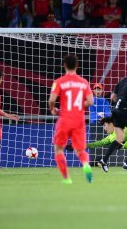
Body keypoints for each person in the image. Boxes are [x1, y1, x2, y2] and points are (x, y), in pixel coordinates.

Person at [48, 54, 94, 184]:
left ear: (64, 65)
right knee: (80, 150)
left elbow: (51, 100)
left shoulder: (59, 82)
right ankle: (86, 165)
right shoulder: (83, 82)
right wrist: (80, 106)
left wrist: (53, 109)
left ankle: (67, 178)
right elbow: (90, 101)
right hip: (79, 120)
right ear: (77, 66)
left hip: (64, 119)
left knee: (59, 149)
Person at [99, 63, 127, 172]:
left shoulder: (122, 80)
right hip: (125, 111)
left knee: (119, 139)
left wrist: (119, 102)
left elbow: (113, 96)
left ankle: (104, 160)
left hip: (115, 110)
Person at [88, 83, 111, 164]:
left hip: (104, 125)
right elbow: (93, 114)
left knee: (103, 143)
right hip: (94, 125)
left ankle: (103, 161)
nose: (97, 91)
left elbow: (108, 113)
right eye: (96, 89)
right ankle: (93, 161)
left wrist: (102, 116)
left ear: (102, 90)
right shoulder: (91, 101)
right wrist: (101, 115)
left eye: (99, 89)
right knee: (94, 142)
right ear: (93, 91)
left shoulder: (105, 101)